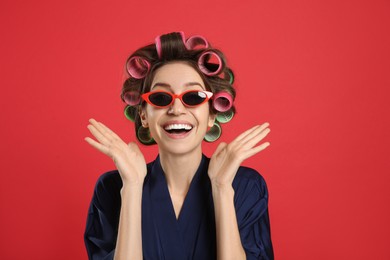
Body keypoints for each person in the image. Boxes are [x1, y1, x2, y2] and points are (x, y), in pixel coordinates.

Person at [84, 31, 274, 260]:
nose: (176, 109)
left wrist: (222, 189)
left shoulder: (246, 187)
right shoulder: (112, 188)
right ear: (143, 115)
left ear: (212, 114)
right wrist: (132, 188)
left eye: (193, 97)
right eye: (161, 98)